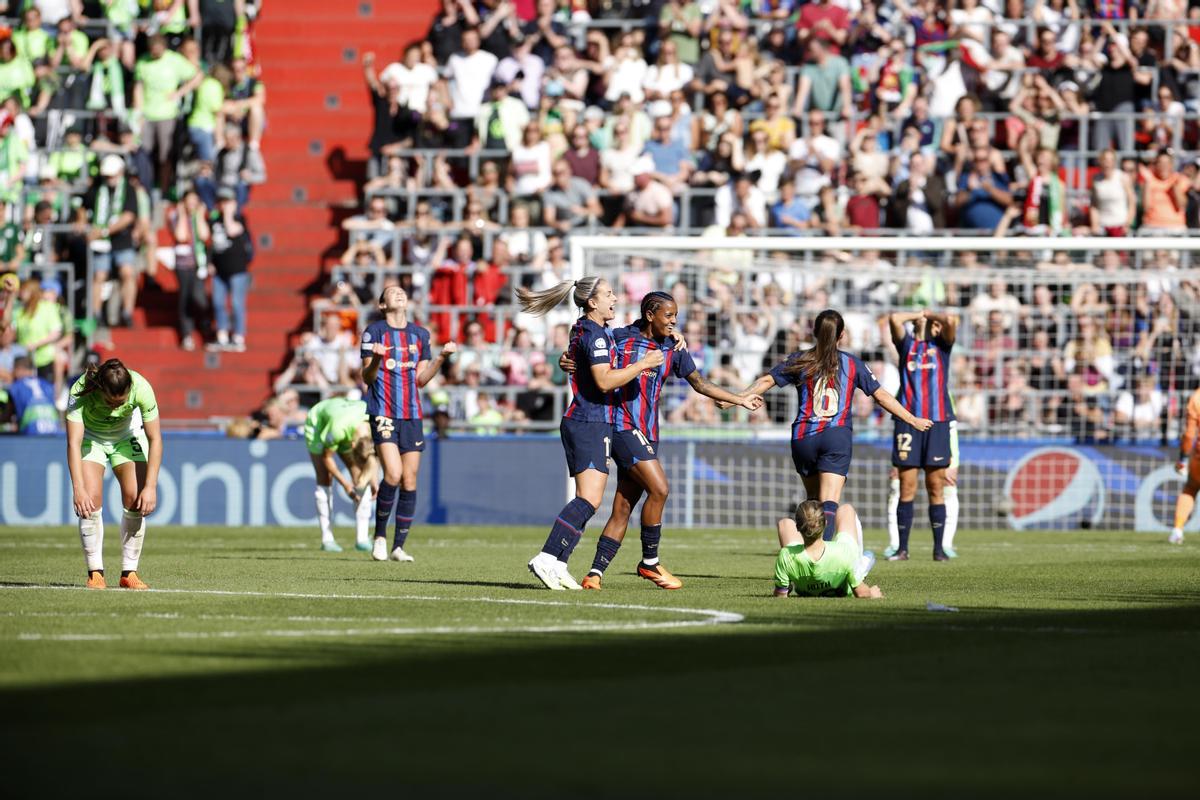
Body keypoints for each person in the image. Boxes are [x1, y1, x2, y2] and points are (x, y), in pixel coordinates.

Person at [571, 291, 763, 591]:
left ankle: (594, 573)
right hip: (622, 427)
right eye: (669, 316)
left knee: (623, 507)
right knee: (660, 489)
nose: (674, 321)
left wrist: (738, 399)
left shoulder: (673, 347)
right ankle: (650, 563)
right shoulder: (619, 338)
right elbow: (586, 354)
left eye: (676, 316)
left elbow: (699, 383)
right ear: (650, 315)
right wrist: (566, 361)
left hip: (649, 433)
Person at [516, 276, 664, 590]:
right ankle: (546, 556)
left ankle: (557, 562)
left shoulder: (591, 330)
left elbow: (580, 360)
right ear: (592, 302)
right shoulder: (595, 335)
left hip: (593, 421)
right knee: (588, 500)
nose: (615, 298)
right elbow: (605, 381)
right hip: (588, 421)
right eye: (609, 294)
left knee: (590, 500)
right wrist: (643, 363)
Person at [734, 309, 932, 541]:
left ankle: (807, 554)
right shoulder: (852, 363)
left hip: (803, 436)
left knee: (812, 502)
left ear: (814, 332)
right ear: (842, 335)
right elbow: (882, 396)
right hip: (835, 436)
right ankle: (823, 558)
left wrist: (736, 399)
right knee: (829, 503)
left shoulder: (800, 359)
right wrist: (912, 419)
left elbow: (767, 380)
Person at [360, 286, 457, 562]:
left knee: (410, 478)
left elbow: (421, 380)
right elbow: (367, 377)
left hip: (412, 414)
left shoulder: (420, 335)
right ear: (382, 304)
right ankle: (379, 537)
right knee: (392, 473)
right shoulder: (374, 332)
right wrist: (378, 358)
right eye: (392, 292)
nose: (399, 294)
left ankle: (398, 546)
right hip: (383, 411)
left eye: (402, 291)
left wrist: (441, 357)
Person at [65, 358, 162, 590]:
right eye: (110, 401)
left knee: (135, 499)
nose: (116, 407)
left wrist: (150, 486)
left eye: (122, 402)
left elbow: (155, 439)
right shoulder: (80, 390)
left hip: (126, 438)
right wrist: (77, 488)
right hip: (92, 438)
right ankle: (95, 573)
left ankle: (129, 573)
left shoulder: (142, 387)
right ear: (100, 389)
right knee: (90, 500)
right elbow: (74, 442)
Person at [884, 309, 957, 562]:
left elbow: (951, 320)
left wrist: (930, 315)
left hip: (937, 423)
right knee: (906, 486)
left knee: (936, 486)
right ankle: (902, 549)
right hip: (908, 423)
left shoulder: (942, 347)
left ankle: (939, 550)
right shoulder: (907, 346)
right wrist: (918, 315)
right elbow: (893, 318)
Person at [303, 396, 377, 553]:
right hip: (318, 422)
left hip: (346, 419)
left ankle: (362, 539)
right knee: (324, 478)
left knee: (360, 478)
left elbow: (372, 458)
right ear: (352, 445)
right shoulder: (337, 430)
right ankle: (327, 538)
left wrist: (374, 480)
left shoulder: (375, 422)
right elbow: (326, 457)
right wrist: (345, 484)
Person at [774, 502, 881, 598]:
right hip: (842, 558)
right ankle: (860, 566)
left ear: (798, 528)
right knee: (846, 509)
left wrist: (783, 588)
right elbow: (861, 593)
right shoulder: (845, 552)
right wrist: (872, 593)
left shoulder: (786, 556)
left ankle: (861, 564)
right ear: (825, 523)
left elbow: (780, 595)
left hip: (801, 570)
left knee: (785, 523)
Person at [86, 154, 139, 326]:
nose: (109, 179)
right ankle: (96, 313)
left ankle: (127, 312)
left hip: (121, 240)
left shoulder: (129, 190)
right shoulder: (96, 189)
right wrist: (84, 226)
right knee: (99, 276)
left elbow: (128, 216)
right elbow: (82, 207)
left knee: (127, 273)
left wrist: (104, 231)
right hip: (101, 244)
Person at [1170, 386, 1200, 544]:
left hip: (1198, 457)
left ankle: (1177, 530)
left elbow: (1189, 434)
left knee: (1190, 488)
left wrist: (1182, 458)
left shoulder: (1196, 397)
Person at [2, 355, 61, 434]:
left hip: (31, 434)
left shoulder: (15, 387)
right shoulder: (47, 385)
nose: (12, 372)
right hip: (55, 432)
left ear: (19, 369)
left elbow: (6, 416)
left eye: (13, 369)